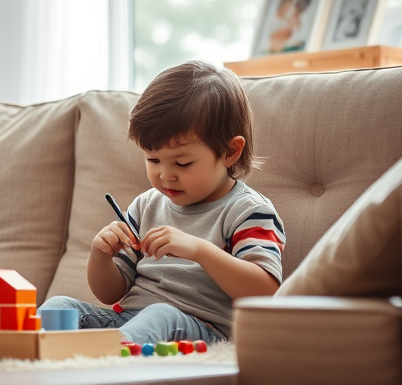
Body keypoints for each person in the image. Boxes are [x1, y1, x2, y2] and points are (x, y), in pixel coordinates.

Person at [38, 60, 285, 345]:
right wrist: (100, 254)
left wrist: (199, 250)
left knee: (161, 314)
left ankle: (108, 361)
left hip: (204, 330)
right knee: (59, 306)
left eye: (182, 163)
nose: (165, 175)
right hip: (128, 321)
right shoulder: (146, 206)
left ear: (230, 152)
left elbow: (265, 292)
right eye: (153, 159)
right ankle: (26, 355)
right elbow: (109, 293)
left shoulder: (248, 211)